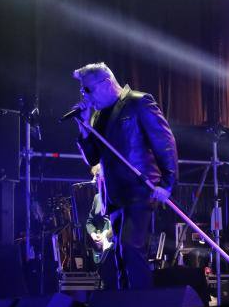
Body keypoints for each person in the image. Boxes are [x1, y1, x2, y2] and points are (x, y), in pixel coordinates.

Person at [73, 62, 177, 290]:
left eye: (87, 89)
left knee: (130, 247)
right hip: (116, 197)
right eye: (82, 90)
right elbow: (93, 159)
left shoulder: (139, 102)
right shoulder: (98, 117)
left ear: (107, 83)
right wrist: (84, 128)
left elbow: (164, 143)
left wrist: (168, 183)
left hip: (141, 191)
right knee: (120, 256)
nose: (84, 95)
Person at [85, 164, 113, 274]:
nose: (93, 180)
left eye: (96, 176)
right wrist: (93, 234)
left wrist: (106, 234)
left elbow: (126, 223)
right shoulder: (97, 198)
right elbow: (89, 221)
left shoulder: (118, 195)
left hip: (117, 244)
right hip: (102, 247)